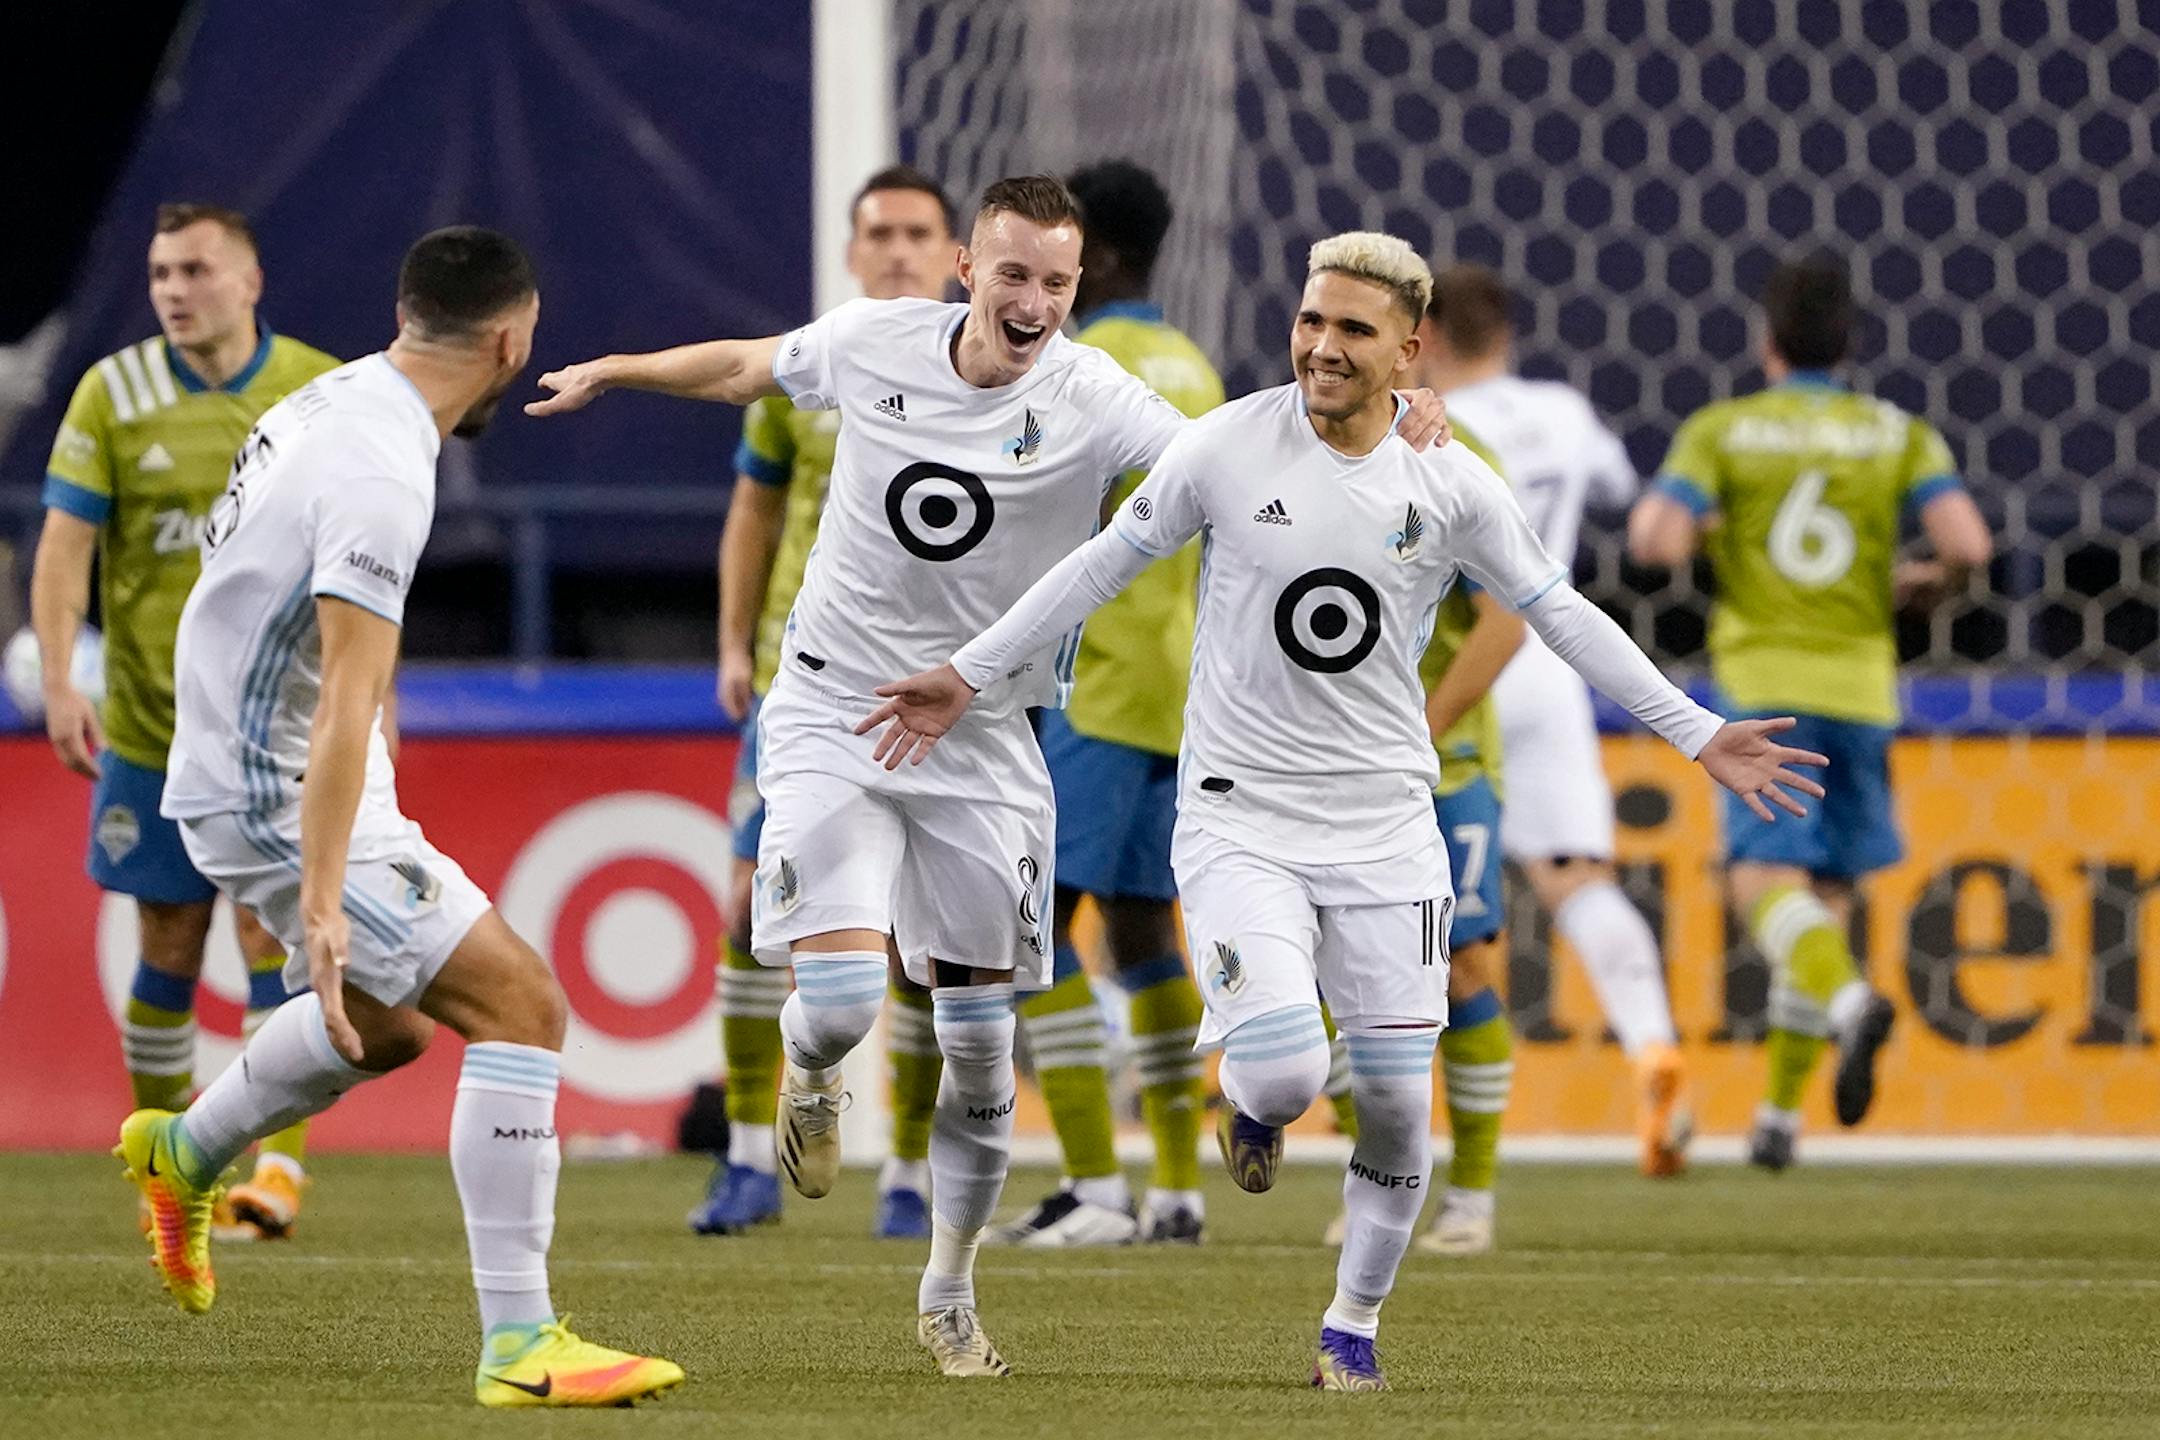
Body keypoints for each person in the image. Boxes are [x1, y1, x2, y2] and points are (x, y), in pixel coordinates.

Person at [856, 231, 1824, 1390]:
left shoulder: (1451, 478)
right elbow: (1096, 567)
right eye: (1311, 319)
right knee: (1280, 1073)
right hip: (1239, 815)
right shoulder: (1226, 447)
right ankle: (1252, 1107)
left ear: (1410, 351)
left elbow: (1559, 613)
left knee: (1401, 1114)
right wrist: (968, 672)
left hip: (1386, 828)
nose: (1320, 345)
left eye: (1352, 329)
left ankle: (1351, 1328)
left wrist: (1696, 730)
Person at [525, 176, 1448, 1378]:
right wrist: (616, 371)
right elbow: (747, 367)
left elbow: (1240, 471)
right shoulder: (872, 342)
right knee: (849, 1004)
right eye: (1012, 275)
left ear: (1077, 286)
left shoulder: (1101, 397)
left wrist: (1397, 408)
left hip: (987, 737)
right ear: (966, 267)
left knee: (977, 1047)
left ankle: (948, 1292)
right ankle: (811, 1073)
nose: (1033, 302)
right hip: (835, 709)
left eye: (1056, 283)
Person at [117, 226, 681, 1408]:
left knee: (387, 1030)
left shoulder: (339, 395)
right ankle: (521, 1345)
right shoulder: (384, 467)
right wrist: (318, 899)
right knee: (523, 1006)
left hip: (246, 760)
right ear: (511, 341)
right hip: (277, 785)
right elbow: (341, 700)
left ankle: (183, 1151)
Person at [1629, 252, 1990, 1170]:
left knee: (1762, 889)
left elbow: (1655, 540)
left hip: (1764, 690)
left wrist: (1718, 533)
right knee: (1825, 897)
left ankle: (1846, 1007)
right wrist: (1924, 587)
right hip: (1863, 691)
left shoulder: (1726, 429)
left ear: (1767, 342)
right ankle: (1781, 1120)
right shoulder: (1896, 431)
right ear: (1851, 343)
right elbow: (1966, 544)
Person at [33, 203, 338, 1237]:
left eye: (195, 270)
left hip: (271, 736)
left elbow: (363, 546)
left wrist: (364, 693)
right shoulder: (111, 392)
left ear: (247, 281)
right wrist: (64, 682)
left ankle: (277, 1172)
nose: (173, 289)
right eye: (161, 271)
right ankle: (169, 1171)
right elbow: (66, 546)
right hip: (149, 730)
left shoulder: (316, 387)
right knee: (166, 944)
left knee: (277, 941)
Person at [694, 164, 961, 1242]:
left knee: (926, 946)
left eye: (916, 234)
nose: (895, 250)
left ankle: (907, 1170)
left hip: (941, 696)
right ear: (852, 252)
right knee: (751, 913)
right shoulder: (814, 365)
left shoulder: (1003, 372)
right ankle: (750, 1157)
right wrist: (730, 641)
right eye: (878, 233)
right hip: (802, 685)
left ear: (955, 258)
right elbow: (754, 514)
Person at [991, 158, 1221, 1249]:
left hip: (1087, 683)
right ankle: (1176, 1185)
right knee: (1142, 936)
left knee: (1025, 929)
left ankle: (1091, 1186)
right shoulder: (1199, 370)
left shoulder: (1078, 367)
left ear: (1103, 255)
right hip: (1175, 685)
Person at [1420, 264, 1694, 1178]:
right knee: (1577, 879)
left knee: (1407, 904)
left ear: (1428, 334)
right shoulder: (1565, 412)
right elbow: (1621, 489)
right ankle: (1654, 1048)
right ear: (1506, 334)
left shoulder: (1427, 419)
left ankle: (1378, 1105)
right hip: (1552, 660)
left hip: (1456, 664)